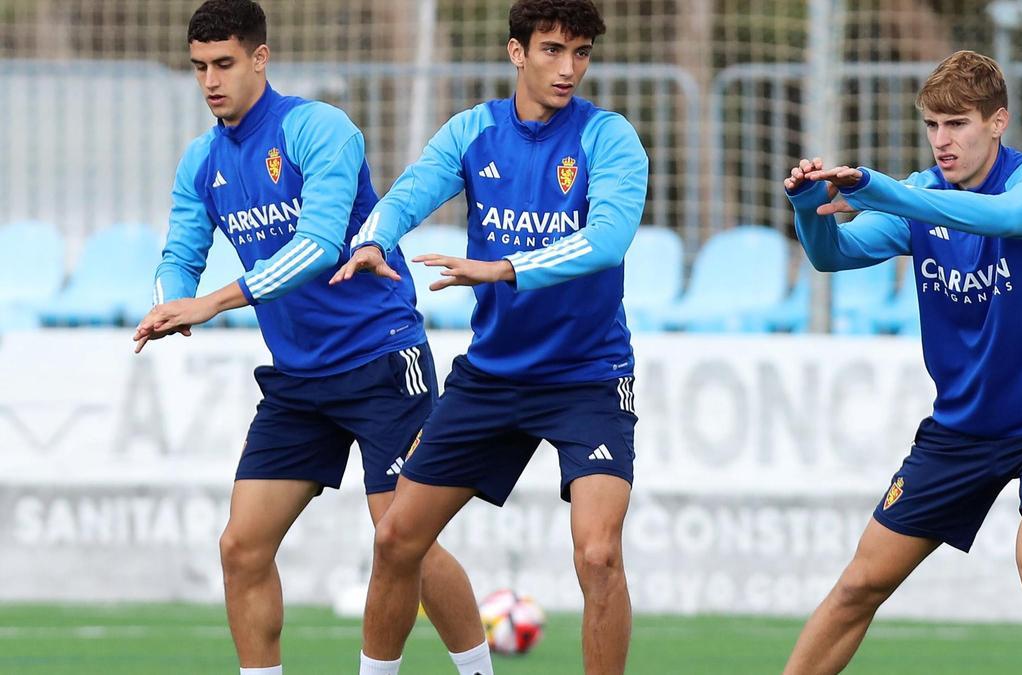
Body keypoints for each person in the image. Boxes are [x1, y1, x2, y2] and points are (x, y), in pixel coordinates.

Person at [132, 2, 492, 674]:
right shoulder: (201, 160)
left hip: (382, 359)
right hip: (299, 379)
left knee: (401, 537)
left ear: (260, 59)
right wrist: (168, 303)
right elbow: (180, 250)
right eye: (199, 68)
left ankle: (477, 670)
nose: (210, 80)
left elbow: (320, 246)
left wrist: (211, 302)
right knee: (242, 545)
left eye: (224, 64)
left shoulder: (319, 130)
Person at [328, 1, 648, 673]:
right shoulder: (474, 131)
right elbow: (413, 191)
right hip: (493, 376)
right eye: (554, 50)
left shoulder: (609, 139)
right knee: (396, 539)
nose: (569, 68)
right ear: (516, 52)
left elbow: (608, 240)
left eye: (581, 52)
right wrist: (373, 237)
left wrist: (503, 268)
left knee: (598, 553)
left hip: (587, 377)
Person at [780, 50, 1022, 675]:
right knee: (858, 587)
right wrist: (807, 209)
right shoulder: (920, 194)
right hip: (959, 431)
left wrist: (885, 192)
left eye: (957, 123)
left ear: (997, 121)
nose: (941, 141)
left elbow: (1000, 217)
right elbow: (835, 254)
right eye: (932, 125)